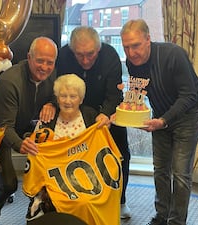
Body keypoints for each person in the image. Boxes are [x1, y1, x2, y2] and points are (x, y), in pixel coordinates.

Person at [120, 19, 198, 225]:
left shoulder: (173, 54)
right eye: (126, 47)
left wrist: (164, 121)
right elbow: (138, 93)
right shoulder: (132, 62)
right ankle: (161, 216)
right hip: (160, 116)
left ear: (148, 39)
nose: (131, 53)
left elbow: (189, 95)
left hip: (189, 115)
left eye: (136, 45)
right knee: (160, 170)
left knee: (180, 173)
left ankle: (176, 222)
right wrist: (126, 105)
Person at [22, 74, 122, 225]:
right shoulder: (47, 121)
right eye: (63, 96)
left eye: (73, 96)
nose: (67, 101)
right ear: (57, 98)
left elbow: (106, 151)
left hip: (90, 180)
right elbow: (36, 154)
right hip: (56, 184)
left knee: (87, 202)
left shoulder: (91, 117)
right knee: (76, 203)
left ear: (81, 99)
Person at [56, 26, 131, 219]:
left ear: (98, 49)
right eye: (79, 55)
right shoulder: (63, 55)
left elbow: (115, 94)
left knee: (119, 154)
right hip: (76, 112)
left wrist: (106, 113)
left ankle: (120, 200)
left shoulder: (110, 55)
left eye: (90, 54)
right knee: (80, 157)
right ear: (72, 50)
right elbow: (58, 87)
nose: (85, 60)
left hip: (107, 111)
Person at [0, 36, 58, 225]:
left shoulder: (52, 74)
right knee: (9, 184)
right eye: (40, 60)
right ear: (29, 57)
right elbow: (5, 127)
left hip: (26, 127)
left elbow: (56, 94)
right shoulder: (10, 81)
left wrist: (52, 103)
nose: (44, 67)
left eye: (50, 62)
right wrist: (20, 144)